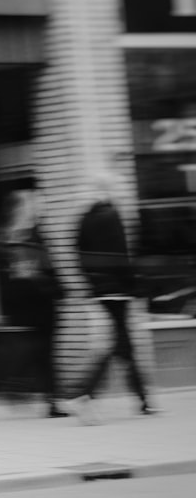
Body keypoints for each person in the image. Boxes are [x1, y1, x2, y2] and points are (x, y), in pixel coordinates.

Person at [74, 173, 155, 421]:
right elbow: (120, 256)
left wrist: (93, 283)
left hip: (101, 291)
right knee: (118, 345)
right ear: (107, 190)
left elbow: (79, 255)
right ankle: (85, 394)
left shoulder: (84, 219)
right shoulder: (112, 215)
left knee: (124, 345)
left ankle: (143, 400)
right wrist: (134, 286)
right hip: (118, 290)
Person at [0, 190, 67, 418]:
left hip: (38, 305)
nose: (41, 209)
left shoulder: (22, 237)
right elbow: (29, 274)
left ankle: (47, 399)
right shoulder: (16, 239)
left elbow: (44, 268)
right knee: (40, 353)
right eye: (37, 205)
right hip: (34, 306)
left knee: (42, 354)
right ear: (26, 209)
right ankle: (24, 388)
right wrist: (55, 287)